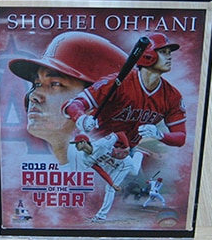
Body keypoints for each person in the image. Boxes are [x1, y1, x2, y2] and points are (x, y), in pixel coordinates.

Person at [8, 32, 128, 165]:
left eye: (55, 84)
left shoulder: (135, 171)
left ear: (95, 104)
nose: (33, 96)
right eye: (37, 84)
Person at [63, 32, 187, 158]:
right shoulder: (118, 82)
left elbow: (180, 137)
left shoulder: (172, 96)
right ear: (149, 55)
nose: (169, 57)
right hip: (93, 144)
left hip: (125, 153)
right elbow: (74, 104)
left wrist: (160, 135)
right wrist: (81, 118)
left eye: (169, 52)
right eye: (163, 52)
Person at [72, 132, 135, 221]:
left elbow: (120, 134)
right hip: (115, 168)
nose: (75, 146)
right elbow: (101, 171)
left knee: (109, 188)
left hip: (124, 163)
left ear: (83, 141)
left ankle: (101, 215)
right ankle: (139, 155)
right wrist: (112, 183)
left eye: (77, 143)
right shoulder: (85, 159)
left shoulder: (101, 143)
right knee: (134, 172)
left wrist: (127, 147)